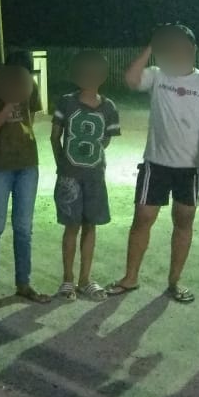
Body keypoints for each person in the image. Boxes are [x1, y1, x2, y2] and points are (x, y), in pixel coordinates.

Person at [108, 24, 199, 303]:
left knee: (183, 221)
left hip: (192, 167)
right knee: (142, 219)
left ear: (193, 49)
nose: (176, 51)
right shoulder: (157, 76)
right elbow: (131, 79)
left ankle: (174, 282)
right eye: (170, 46)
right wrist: (152, 45)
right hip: (156, 164)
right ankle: (130, 278)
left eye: (181, 46)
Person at [0, 50, 50, 309]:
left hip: (27, 164)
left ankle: (23, 284)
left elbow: (30, 122)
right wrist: (9, 103)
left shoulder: (30, 84)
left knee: (24, 228)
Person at [51, 50, 121, 302]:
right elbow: (55, 137)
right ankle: (68, 279)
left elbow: (106, 140)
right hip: (69, 177)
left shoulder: (109, 107)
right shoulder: (66, 102)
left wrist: (91, 159)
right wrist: (63, 165)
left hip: (94, 177)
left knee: (90, 225)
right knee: (72, 227)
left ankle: (85, 279)